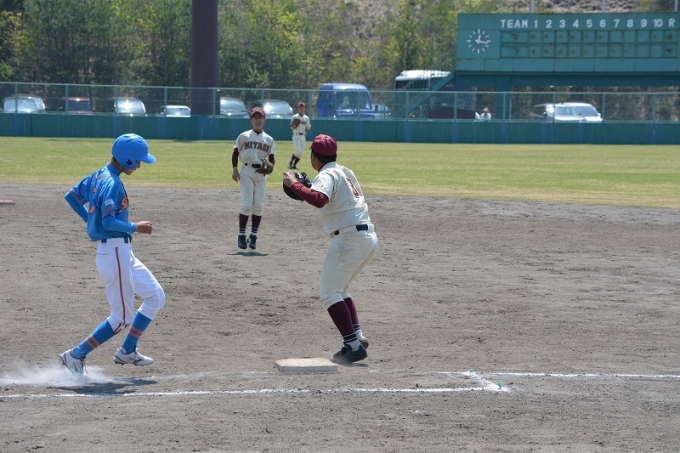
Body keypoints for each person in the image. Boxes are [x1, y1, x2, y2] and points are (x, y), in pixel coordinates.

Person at [60, 133, 165, 376]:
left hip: (121, 251)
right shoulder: (112, 183)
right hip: (114, 251)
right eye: (137, 161)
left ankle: (127, 350)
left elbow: (72, 197)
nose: (139, 165)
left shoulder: (99, 174)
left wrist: (91, 220)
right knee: (121, 317)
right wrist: (135, 227)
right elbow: (108, 221)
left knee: (155, 296)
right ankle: (75, 355)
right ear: (126, 159)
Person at [283, 134, 378, 365]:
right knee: (340, 289)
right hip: (366, 237)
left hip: (349, 238)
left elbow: (319, 199)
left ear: (314, 157)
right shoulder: (345, 172)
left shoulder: (326, 174)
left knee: (329, 293)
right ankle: (356, 336)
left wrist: (294, 184)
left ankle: (353, 346)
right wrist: (305, 188)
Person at [232, 106, 276, 250]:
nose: (258, 120)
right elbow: (235, 153)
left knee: (258, 205)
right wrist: (235, 170)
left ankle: (253, 236)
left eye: (260, 117)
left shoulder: (269, 139)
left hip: (261, 174)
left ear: (265, 120)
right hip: (246, 171)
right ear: (250, 120)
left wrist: (270, 167)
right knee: (246, 204)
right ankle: (241, 235)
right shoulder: (244, 136)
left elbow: (272, 158)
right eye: (255, 118)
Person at [288, 102, 311, 170]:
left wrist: (308, 128)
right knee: (298, 150)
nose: (301, 109)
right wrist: (293, 126)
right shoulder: (295, 117)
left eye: (302, 107)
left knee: (301, 153)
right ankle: (291, 162)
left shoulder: (306, 118)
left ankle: (294, 165)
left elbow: (308, 126)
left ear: (304, 109)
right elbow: (291, 126)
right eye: (300, 107)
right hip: (296, 135)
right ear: (298, 109)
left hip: (303, 136)